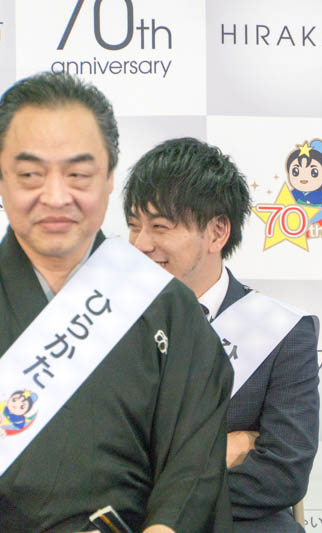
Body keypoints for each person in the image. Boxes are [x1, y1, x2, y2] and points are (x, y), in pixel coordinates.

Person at [0, 73, 232, 532]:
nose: (56, 196)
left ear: (109, 179)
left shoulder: (168, 308)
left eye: (78, 175)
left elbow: (194, 467)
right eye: (30, 175)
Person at [124, 137, 320, 533]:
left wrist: (169, 508)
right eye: (133, 226)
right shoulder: (105, 322)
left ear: (217, 233)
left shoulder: (282, 331)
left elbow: (283, 473)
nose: (141, 244)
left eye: (160, 227)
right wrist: (219, 453)